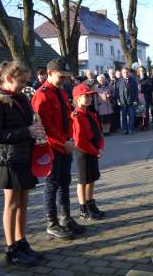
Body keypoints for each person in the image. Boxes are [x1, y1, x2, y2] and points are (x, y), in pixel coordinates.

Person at [0, 61, 45, 267]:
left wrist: (35, 128)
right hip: (8, 159)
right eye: (21, 82)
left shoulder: (20, 97)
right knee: (11, 204)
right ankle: (11, 249)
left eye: (26, 82)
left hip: (24, 155)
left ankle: (21, 242)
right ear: (8, 78)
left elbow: (27, 123)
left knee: (24, 202)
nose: (24, 85)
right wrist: (27, 132)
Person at [32, 58, 85, 239]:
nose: (64, 80)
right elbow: (45, 126)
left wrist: (70, 138)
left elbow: (67, 118)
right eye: (61, 76)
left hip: (65, 145)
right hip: (53, 147)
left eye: (66, 77)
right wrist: (64, 142)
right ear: (50, 73)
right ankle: (52, 222)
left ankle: (65, 218)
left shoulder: (61, 93)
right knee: (52, 184)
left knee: (64, 181)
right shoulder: (42, 95)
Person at [71, 84, 105, 220]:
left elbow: (99, 132)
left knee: (92, 179)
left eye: (90, 95)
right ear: (77, 98)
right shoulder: (76, 115)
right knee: (83, 180)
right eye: (86, 96)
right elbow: (80, 140)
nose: (89, 98)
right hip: (84, 152)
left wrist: (100, 147)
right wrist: (95, 151)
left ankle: (91, 204)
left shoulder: (91, 114)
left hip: (94, 150)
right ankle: (83, 208)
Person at [116, 67, 138, 135]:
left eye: (126, 72)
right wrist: (118, 100)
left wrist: (135, 100)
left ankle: (131, 129)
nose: (125, 73)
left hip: (131, 102)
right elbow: (116, 92)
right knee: (124, 117)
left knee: (132, 116)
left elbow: (136, 92)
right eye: (124, 72)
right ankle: (125, 129)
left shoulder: (133, 81)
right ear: (122, 73)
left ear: (129, 73)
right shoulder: (119, 81)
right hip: (123, 103)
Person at [137, 66, 152, 130]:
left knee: (145, 112)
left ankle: (146, 125)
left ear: (144, 71)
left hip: (145, 97)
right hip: (138, 98)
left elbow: (150, 88)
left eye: (142, 70)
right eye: (140, 70)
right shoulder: (136, 78)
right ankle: (140, 125)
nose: (141, 71)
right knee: (139, 112)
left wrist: (141, 89)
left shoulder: (148, 79)